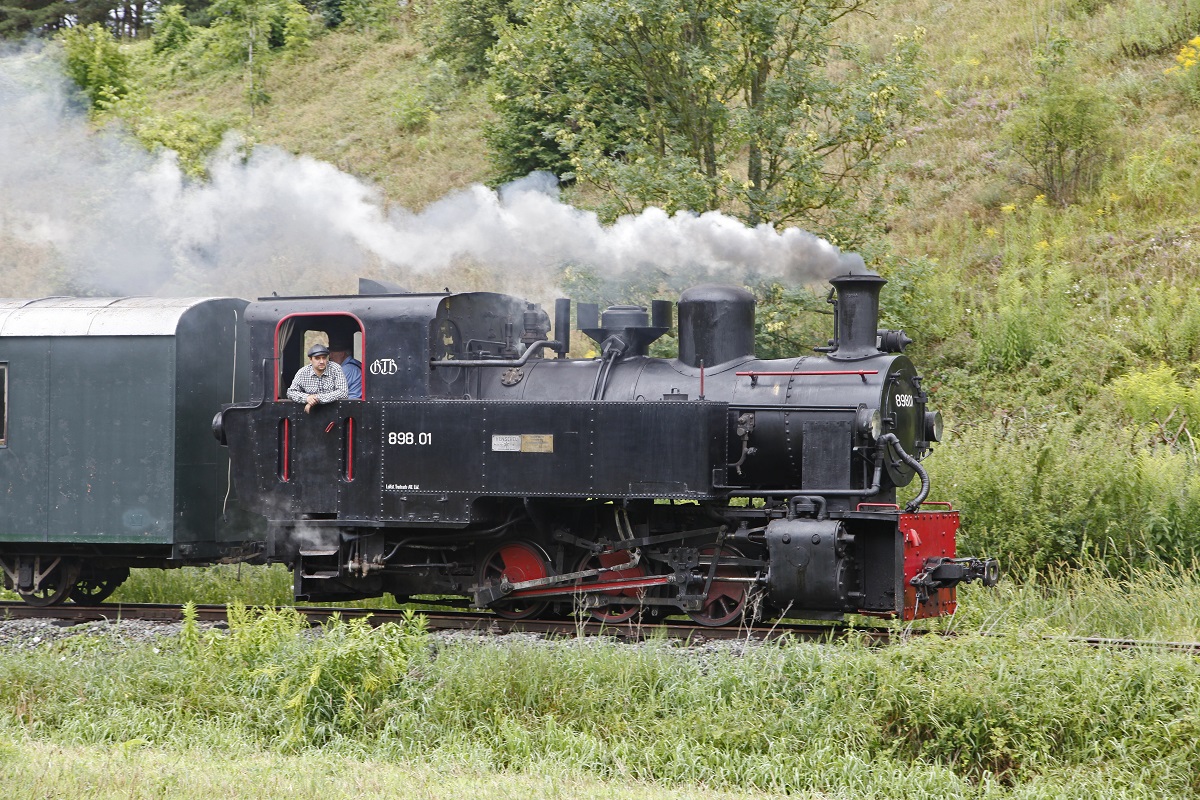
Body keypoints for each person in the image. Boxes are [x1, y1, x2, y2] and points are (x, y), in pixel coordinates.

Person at [287, 343, 347, 413]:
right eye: (317, 358)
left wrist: (316, 399)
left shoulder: (335, 369)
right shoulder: (302, 372)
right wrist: (307, 398)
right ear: (310, 359)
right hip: (310, 415)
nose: (321, 361)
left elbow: (343, 392)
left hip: (335, 413)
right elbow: (291, 392)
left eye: (324, 358)